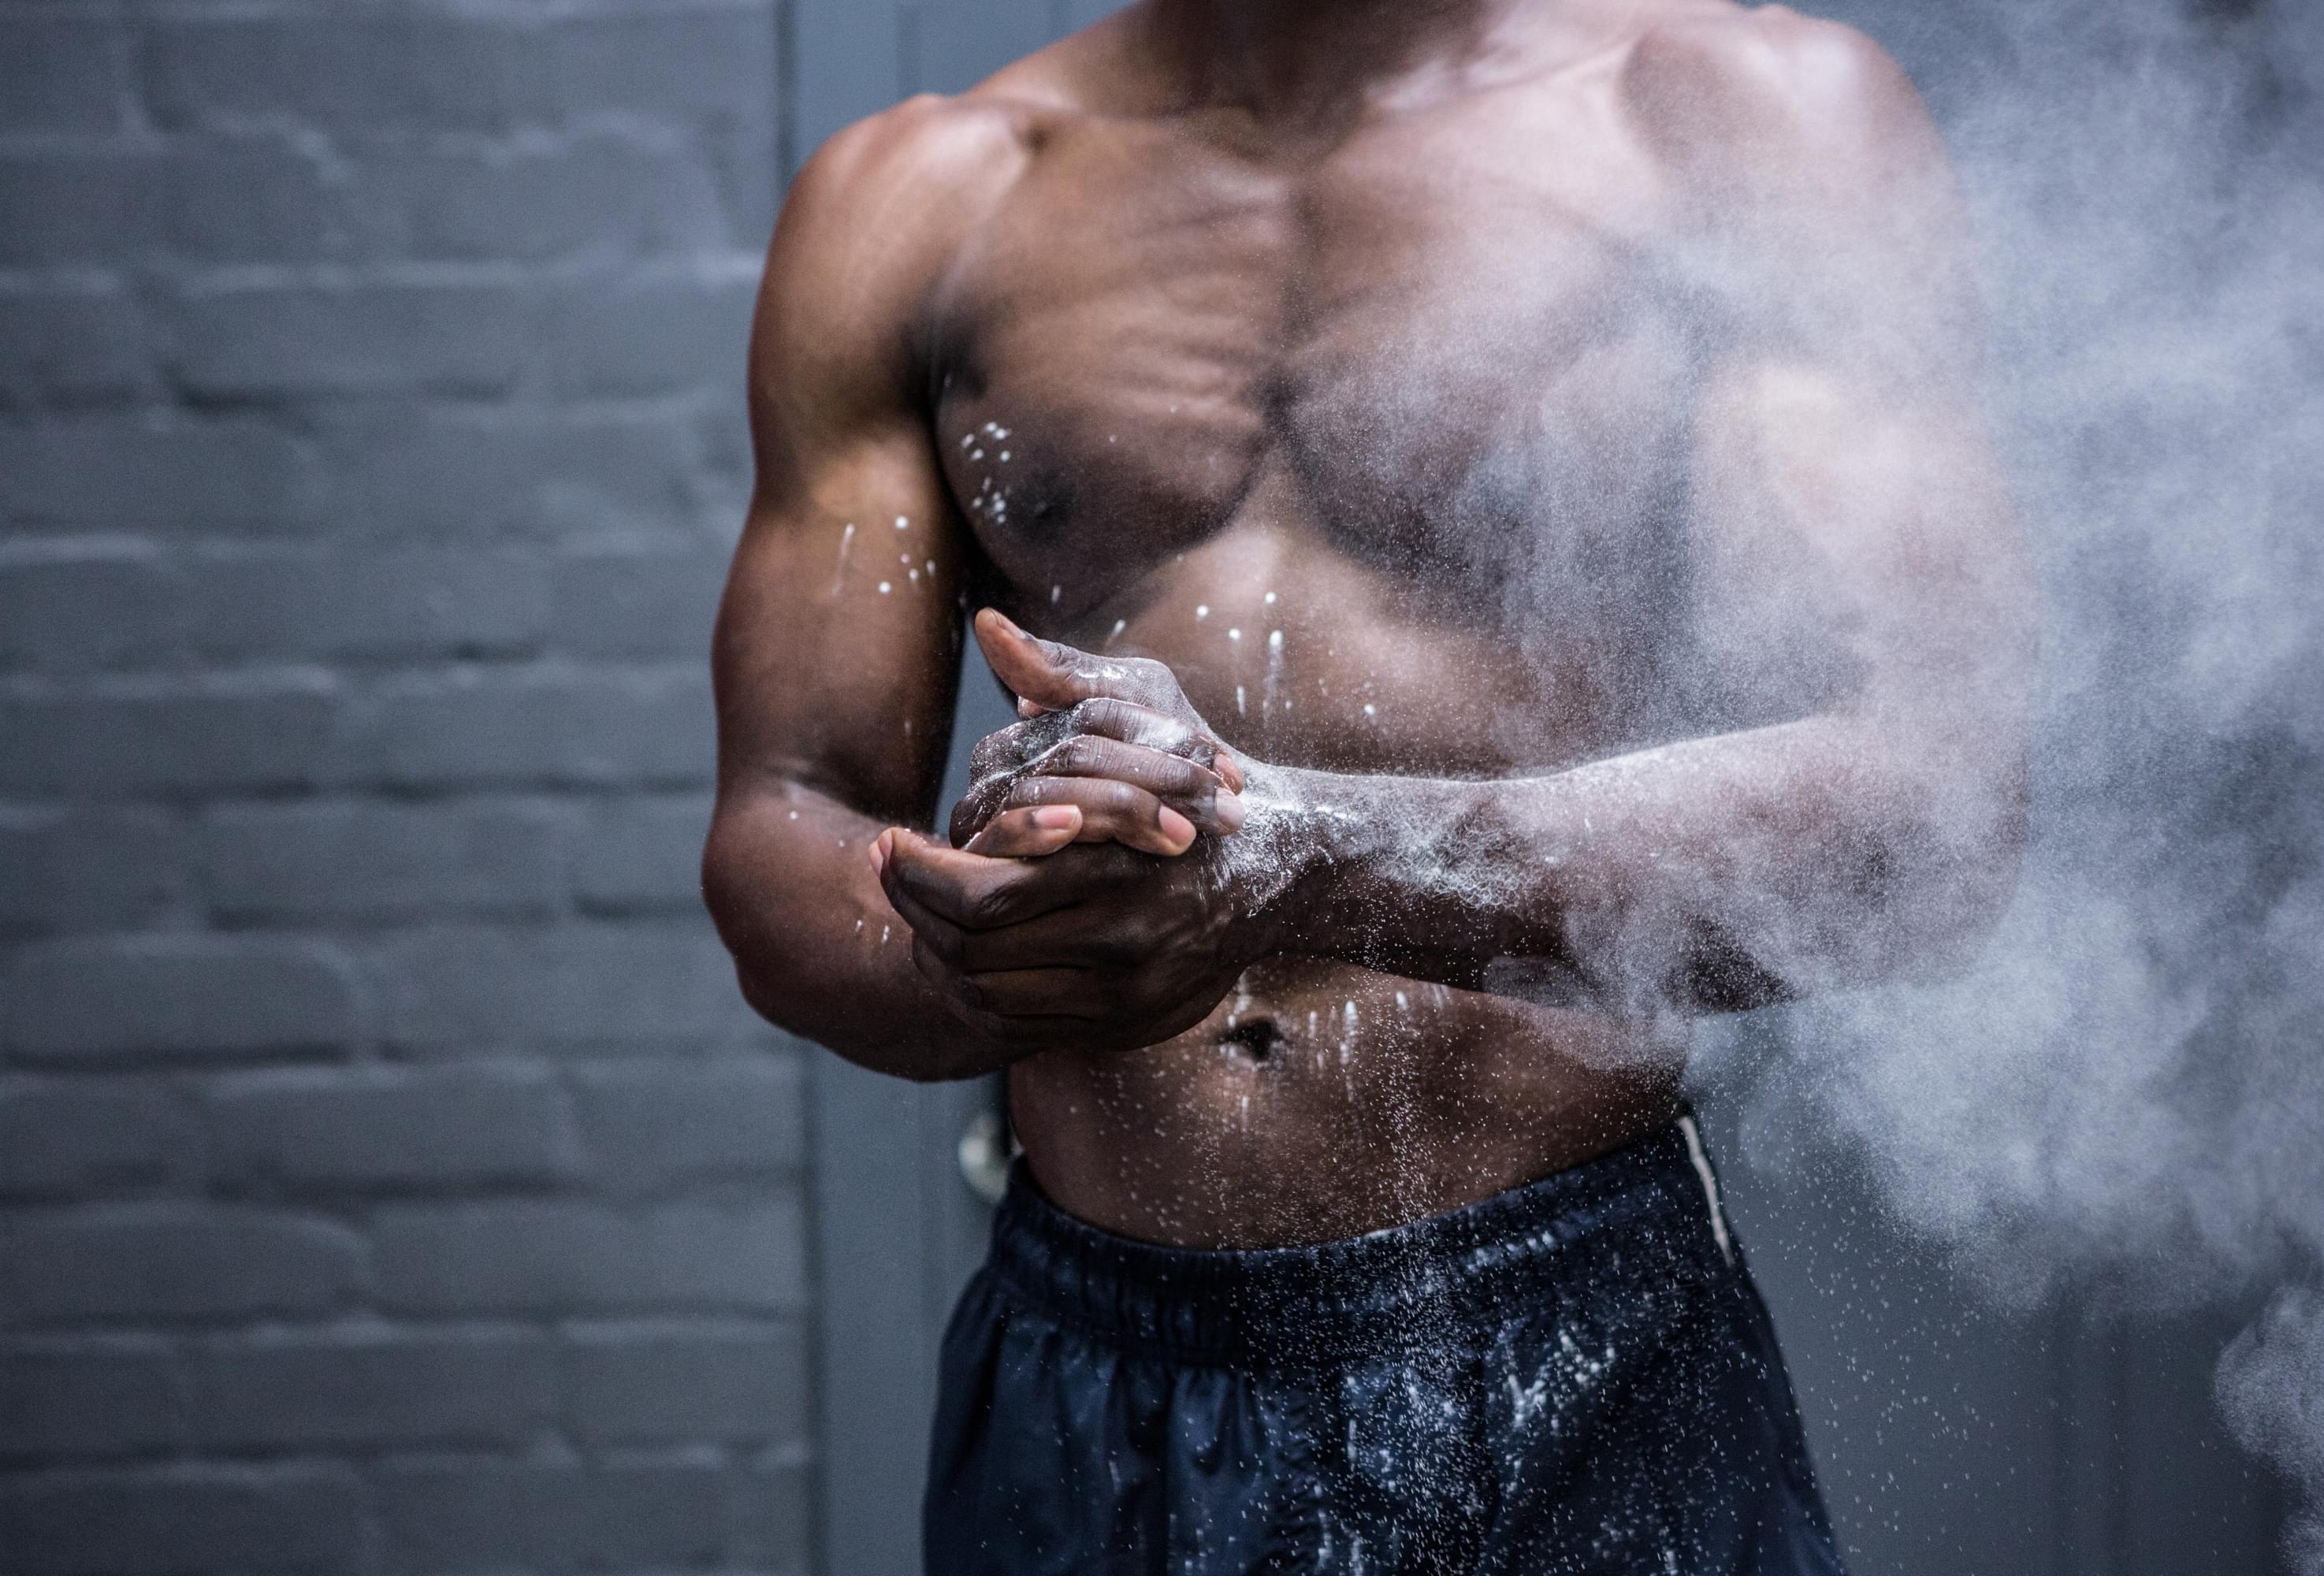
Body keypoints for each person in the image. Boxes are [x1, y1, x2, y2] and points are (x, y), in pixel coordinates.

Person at [703, 0, 2035, 1568]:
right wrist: (996, 951)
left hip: (1568, 1333)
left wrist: (1311, 857)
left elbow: (1927, 805)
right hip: (1093, 1366)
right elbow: (782, 821)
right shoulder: (920, 196)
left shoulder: (1729, 112)